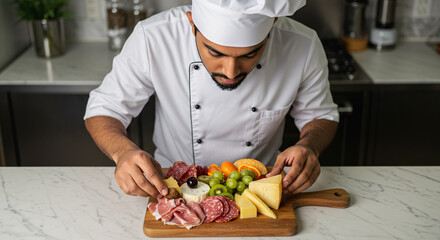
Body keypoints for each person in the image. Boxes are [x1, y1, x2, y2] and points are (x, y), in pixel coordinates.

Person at [84, 0, 339, 198]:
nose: (230, 71)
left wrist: (310, 146)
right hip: (171, 186)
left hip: (260, 188)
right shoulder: (154, 37)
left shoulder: (302, 45)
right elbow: (105, 109)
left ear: (272, 24)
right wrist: (122, 152)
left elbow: (320, 115)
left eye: (250, 55)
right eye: (214, 52)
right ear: (192, 22)